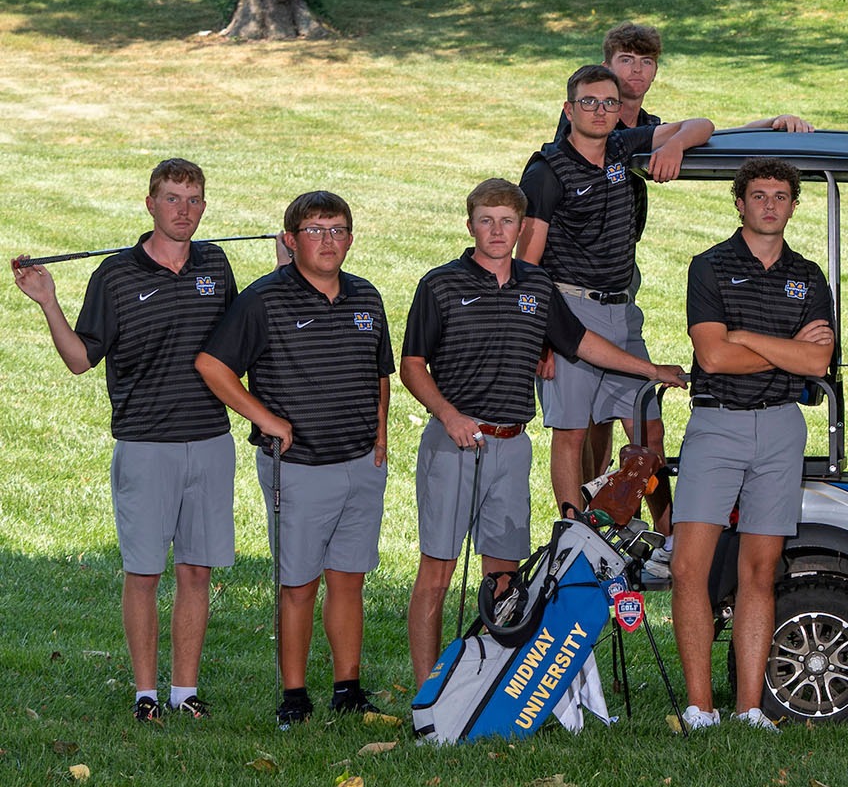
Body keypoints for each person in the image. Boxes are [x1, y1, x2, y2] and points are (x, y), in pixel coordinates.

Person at [398, 179, 685, 685]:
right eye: (486, 220)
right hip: (454, 443)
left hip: (512, 446)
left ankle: (481, 685)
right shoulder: (440, 284)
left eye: (507, 221)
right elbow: (413, 365)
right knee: (437, 573)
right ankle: (427, 693)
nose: (496, 230)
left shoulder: (536, 286)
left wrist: (650, 369)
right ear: (470, 225)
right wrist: (448, 414)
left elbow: (581, 343)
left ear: (520, 227)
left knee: (504, 579)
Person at [11, 159, 238, 724]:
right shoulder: (115, 276)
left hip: (211, 439)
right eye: (172, 198)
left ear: (204, 207)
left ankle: (184, 693)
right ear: (150, 203)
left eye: (193, 200)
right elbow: (79, 360)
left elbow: (241, 341)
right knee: (144, 572)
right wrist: (47, 301)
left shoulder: (215, 263)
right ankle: (145, 694)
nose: (183, 210)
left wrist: (286, 269)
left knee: (197, 569)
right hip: (145, 443)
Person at [196, 191, 392, 726]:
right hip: (299, 468)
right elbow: (213, 366)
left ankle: (347, 688)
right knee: (299, 584)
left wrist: (380, 434)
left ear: (350, 239)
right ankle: (294, 696)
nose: (327, 241)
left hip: (360, 463)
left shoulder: (366, 298)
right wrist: (266, 418)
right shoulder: (264, 300)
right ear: (290, 239)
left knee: (349, 578)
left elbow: (380, 373)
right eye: (314, 230)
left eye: (337, 230)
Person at [672, 159, 833, 731]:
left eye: (781, 196)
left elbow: (818, 361)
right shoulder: (709, 266)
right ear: (739, 203)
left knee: (759, 572)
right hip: (717, 424)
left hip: (783, 425)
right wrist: (786, 346)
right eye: (759, 195)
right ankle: (699, 707)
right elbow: (712, 357)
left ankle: (748, 709)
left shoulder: (810, 275)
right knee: (690, 567)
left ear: (793, 205)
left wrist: (749, 337)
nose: (770, 204)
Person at [518, 64, 699, 523]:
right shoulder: (546, 171)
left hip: (622, 311)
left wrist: (674, 144)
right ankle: (575, 534)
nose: (600, 111)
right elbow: (527, 265)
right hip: (571, 309)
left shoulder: (621, 148)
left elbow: (702, 126)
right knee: (572, 434)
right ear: (568, 108)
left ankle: (663, 533)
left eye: (609, 103)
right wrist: (541, 336)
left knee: (649, 431)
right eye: (589, 102)